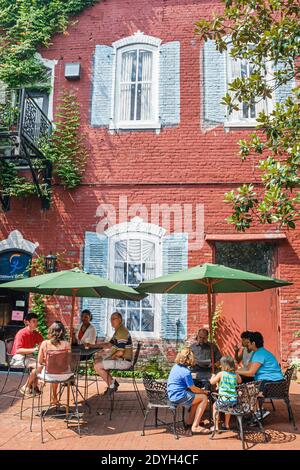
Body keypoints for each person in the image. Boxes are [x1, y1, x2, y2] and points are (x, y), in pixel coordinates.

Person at [237, 331, 284, 420]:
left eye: (248, 343)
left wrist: (235, 372)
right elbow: (247, 368)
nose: (246, 345)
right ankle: (254, 409)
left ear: (253, 343)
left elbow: (251, 372)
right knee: (245, 384)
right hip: (269, 381)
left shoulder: (259, 354)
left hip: (273, 384)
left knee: (246, 386)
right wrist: (235, 371)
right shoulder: (258, 352)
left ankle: (257, 410)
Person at [167, 347, 210, 435]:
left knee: (197, 399)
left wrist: (199, 391)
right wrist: (204, 392)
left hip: (172, 394)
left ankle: (190, 423)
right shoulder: (186, 372)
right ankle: (195, 426)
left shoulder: (175, 366)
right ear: (189, 359)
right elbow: (193, 388)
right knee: (204, 398)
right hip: (178, 396)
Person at [94, 311, 132, 394]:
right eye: (110, 319)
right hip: (120, 359)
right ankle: (112, 382)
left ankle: (112, 385)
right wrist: (93, 345)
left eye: (114, 319)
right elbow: (108, 344)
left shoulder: (121, 332)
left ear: (120, 320)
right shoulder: (118, 331)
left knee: (97, 366)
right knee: (97, 360)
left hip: (124, 361)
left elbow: (120, 352)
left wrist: (110, 358)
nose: (111, 321)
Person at [37, 321, 72, 406]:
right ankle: (54, 397)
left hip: (48, 375)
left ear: (50, 331)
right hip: (64, 375)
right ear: (62, 332)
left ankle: (40, 381)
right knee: (57, 369)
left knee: (49, 369)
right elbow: (68, 361)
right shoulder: (67, 344)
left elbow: (39, 361)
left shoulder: (45, 343)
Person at [11, 312, 43, 397]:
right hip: (18, 357)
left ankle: (34, 386)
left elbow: (42, 344)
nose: (36, 323)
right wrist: (34, 349)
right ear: (27, 322)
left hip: (29, 357)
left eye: (36, 321)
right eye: (33, 321)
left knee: (41, 364)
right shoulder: (21, 333)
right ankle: (26, 386)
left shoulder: (35, 333)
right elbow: (18, 350)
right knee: (38, 366)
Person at [210, 356, 242, 432]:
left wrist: (213, 377)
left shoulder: (221, 374)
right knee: (228, 408)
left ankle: (216, 426)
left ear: (223, 365)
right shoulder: (235, 374)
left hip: (223, 400)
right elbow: (240, 381)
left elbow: (212, 382)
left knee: (215, 406)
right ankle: (227, 424)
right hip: (233, 400)